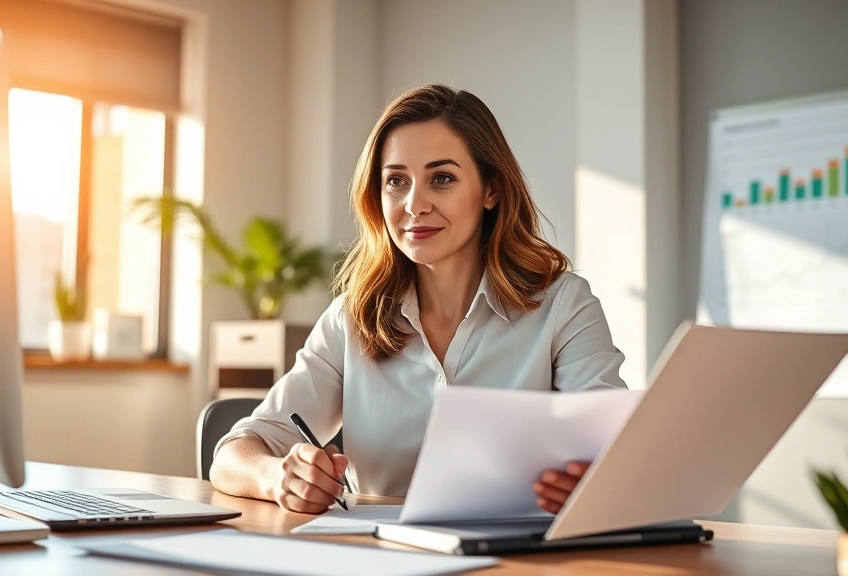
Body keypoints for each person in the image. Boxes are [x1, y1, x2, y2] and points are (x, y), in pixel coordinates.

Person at [209, 84, 626, 515]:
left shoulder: (563, 306)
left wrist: (594, 482)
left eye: (441, 178)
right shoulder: (352, 319)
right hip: (380, 558)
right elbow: (233, 455)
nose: (414, 204)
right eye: (396, 181)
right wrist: (278, 476)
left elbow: (616, 453)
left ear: (491, 191)